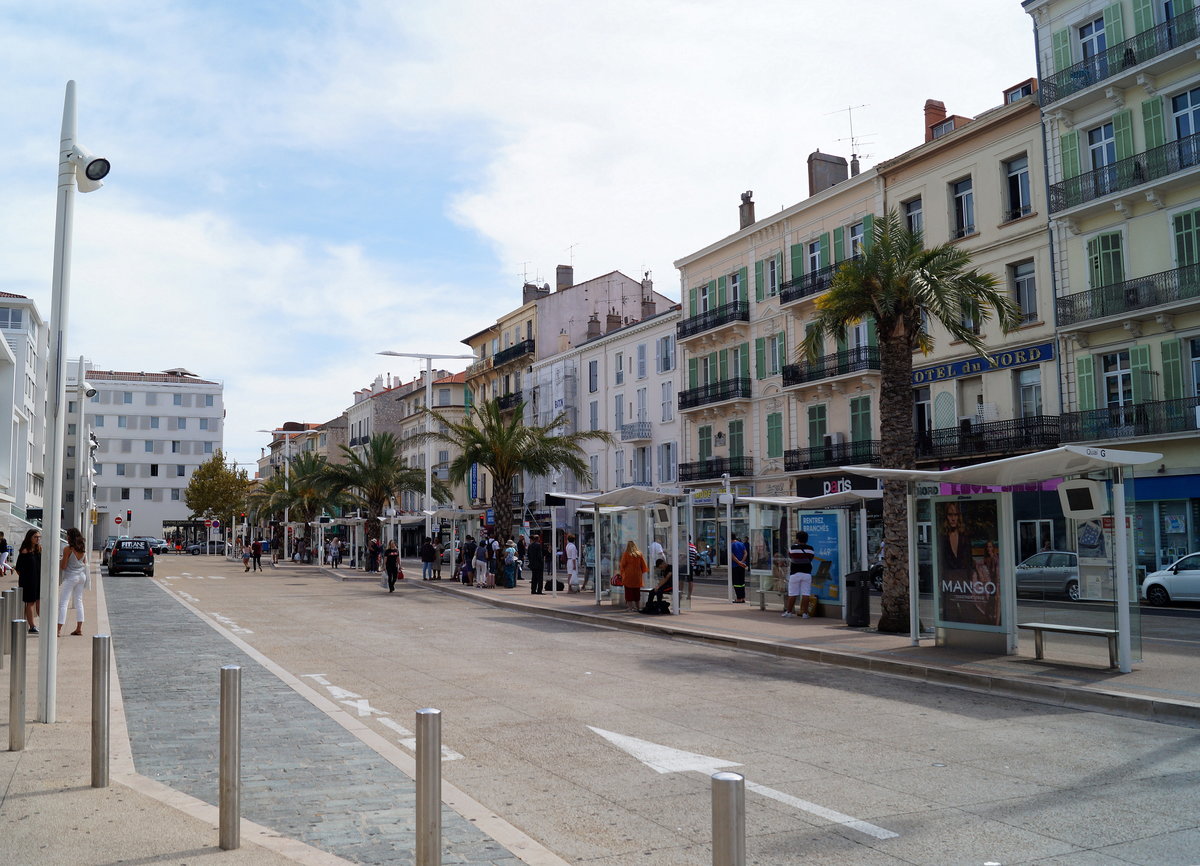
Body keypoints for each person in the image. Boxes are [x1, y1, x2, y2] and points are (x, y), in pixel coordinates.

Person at [57, 527, 89, 636]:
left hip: (71, 577)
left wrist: (61, 560)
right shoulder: (82, 548)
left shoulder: (67, 549)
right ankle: (79, 628)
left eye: (68, 535)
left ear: (70, 537)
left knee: (63, 603)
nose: (66, 536)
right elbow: (84, 562)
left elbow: (64, 566)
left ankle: (58, 629)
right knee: (79, 601)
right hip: (81, 576)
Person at [15, 529, 42, 633]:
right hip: (29, 581)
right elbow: (18, 568)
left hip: (39, 580)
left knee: (39, 602)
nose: (37, 539)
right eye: (35, 537)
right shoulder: (25, 551)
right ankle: (32, 626)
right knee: (30, 603)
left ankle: (44, 622)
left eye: (39, 537)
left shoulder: (39, 549)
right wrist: (26, 578)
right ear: (30, 538)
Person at [784, 530, 815, 618]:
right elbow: (810, 558)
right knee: (806, 593)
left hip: (795, 573)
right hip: (807, 573)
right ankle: (805, 613)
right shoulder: (811, 549)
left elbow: (790, 556)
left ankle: (789, 612)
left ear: (797, 539)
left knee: (792, 593)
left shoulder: (793, 548)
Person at [618, 540, 647, 611]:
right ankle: (638, 607)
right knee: (636, 591)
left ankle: (630, 607)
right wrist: (640, 572)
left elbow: (622, 565)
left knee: (628, 592)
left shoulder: (626, 554)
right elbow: (644, 566)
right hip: (637, 576)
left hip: (628, 575)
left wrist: (622, 573)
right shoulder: (639, 554)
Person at [731, 534, 748, 603]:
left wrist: (738, 562)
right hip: (742, 566)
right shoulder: (741, 544)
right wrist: (742, 562)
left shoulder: (731, 545)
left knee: (736, 582)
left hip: (735, 566)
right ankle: (743, 597)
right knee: (742, 582)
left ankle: (739, 598)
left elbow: (732, 555)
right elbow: (745, 553)